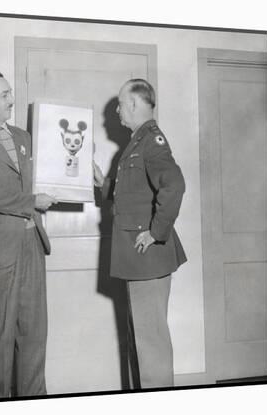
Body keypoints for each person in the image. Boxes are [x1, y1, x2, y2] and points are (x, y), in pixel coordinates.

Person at [0, 70, 57, 398]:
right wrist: (32, 202)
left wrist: (79, 168)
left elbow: (49, 171)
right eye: (4, 95)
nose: (11, 100)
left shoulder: (22, 137)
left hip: (31, 241)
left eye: (10, 92)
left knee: (34, 332)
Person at [94, 78, 187, 389]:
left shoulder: (151, 140)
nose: (118, 110)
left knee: (151, 345)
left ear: (134, 104)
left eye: (121, 104)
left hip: (148, 257)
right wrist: (102, 184)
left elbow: (173, 185)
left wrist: (155, 232)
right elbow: (134, 194)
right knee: (142, 343)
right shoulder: (137, 141)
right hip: (138, 259)